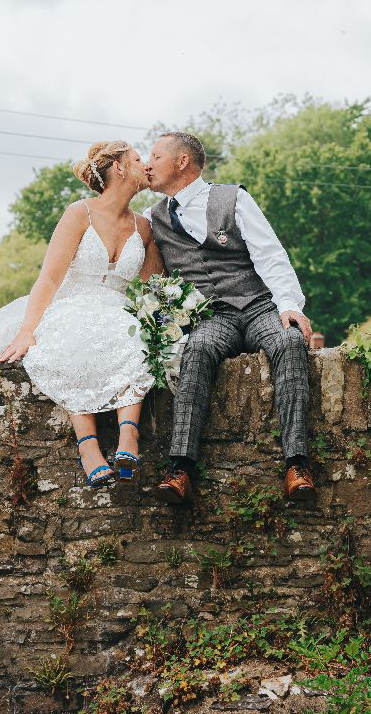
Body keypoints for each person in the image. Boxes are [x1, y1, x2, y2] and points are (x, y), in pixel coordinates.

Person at [0, 141, 165, 488]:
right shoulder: (80, 213)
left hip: (117, 307)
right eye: (137, 159)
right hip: (70, 302)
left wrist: (166, 317)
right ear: (118, 168)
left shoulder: (143, 228)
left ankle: (128, 438)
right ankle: (88, 447)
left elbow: (153, 289)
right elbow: (51, 277)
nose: (145, 165)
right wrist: (28, 329)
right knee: (69, 339)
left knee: (136, 337)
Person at [142, 131, 317, 504]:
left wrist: (289, 305)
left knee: (288, 340)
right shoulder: (152, 219)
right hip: (211, 316)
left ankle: (297, 465)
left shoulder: (233, 198)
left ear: (182, 161)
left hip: (258, 305)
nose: (147, 164)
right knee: (198, 349)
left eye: (155, 157)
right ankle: (180, 470)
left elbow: (270, 254)